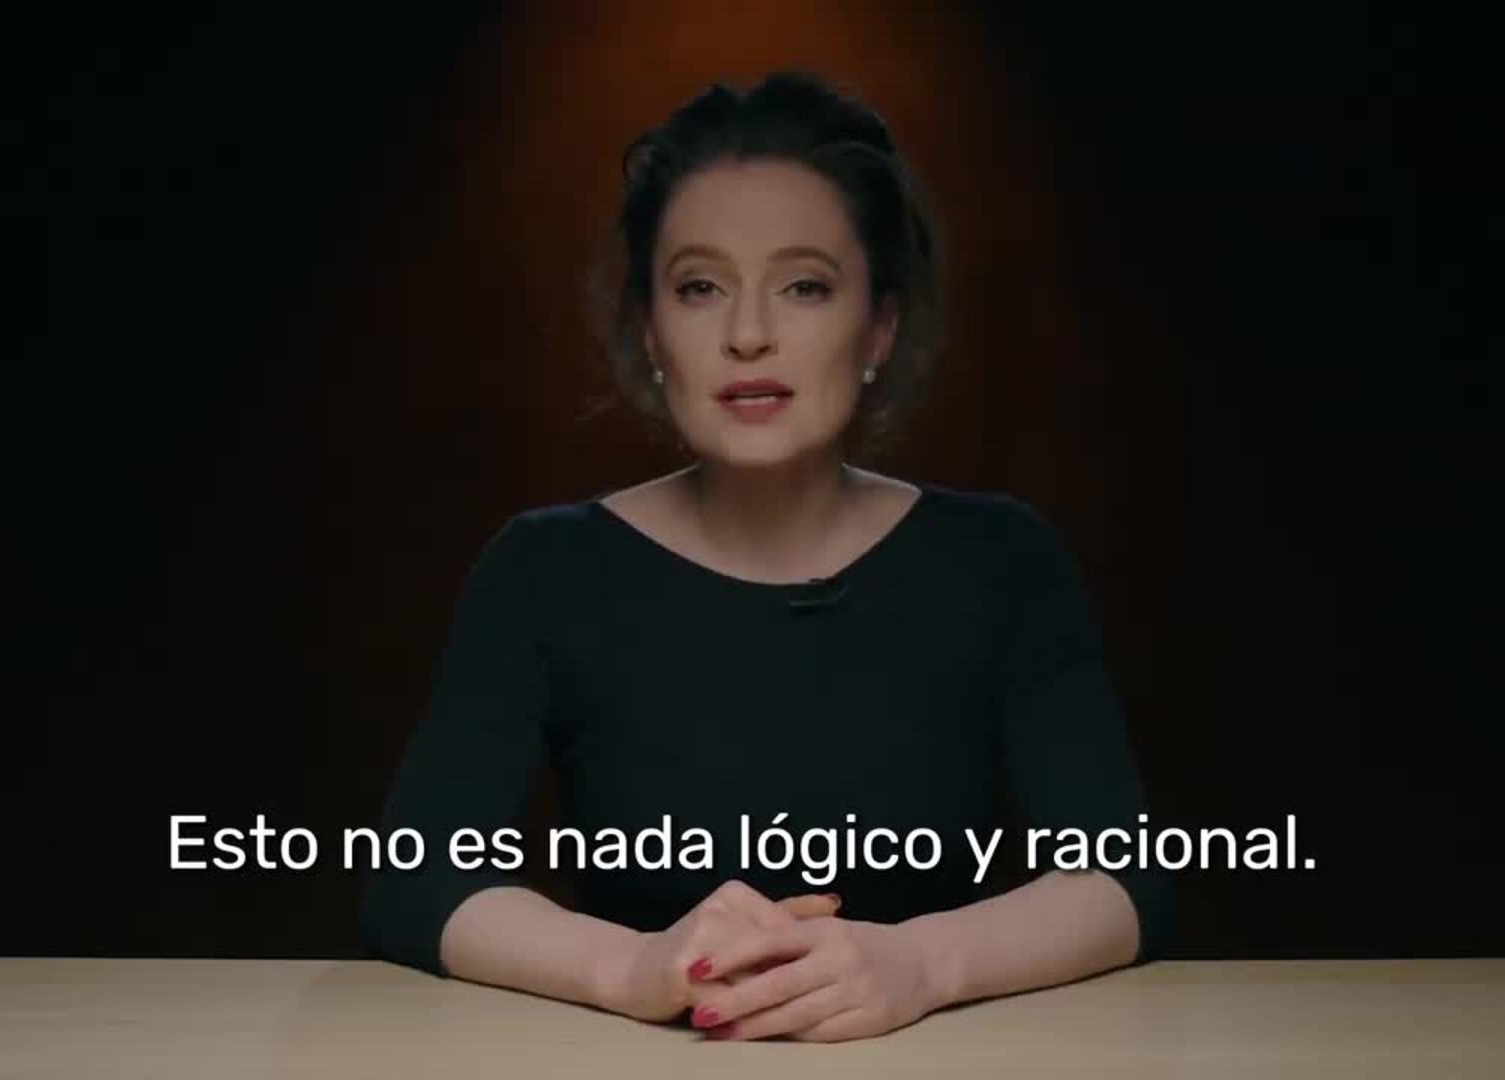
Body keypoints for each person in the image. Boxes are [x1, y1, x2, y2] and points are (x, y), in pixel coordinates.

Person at [359, 69, 1170, 1043]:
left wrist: (920, 963)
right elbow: (416, 876)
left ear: (880, 325)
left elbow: (1125, 878)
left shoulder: (1002, 560)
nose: (749, 335)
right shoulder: (543, 569)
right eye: (700, 288)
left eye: (805, 286)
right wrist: (634, 966)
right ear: (651, 329)